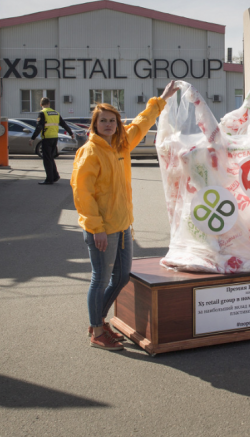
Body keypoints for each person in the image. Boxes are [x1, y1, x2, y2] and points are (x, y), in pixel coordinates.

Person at [71, 80, 178, 351]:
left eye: (112, 121)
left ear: (117, 124)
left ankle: (99, 320)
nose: (108, 124)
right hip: (102, 229)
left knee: (121, 277)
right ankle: (97, 329)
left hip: (122, 227)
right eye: (103, 120)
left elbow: (142, 123)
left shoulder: (121, 146)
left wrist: (161, 99)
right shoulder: (89, 152)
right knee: (100, 278)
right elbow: (83, 195)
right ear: (94, 124)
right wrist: (96, 228)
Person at [30, 97, 74, 185]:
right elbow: (63, 124)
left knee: (47, 159)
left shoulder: (42, 113)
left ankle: (49, 179)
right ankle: (55, 176)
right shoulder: (56, 113)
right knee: (50, 157)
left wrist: (33, 138)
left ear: (41, 105)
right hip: (55, 138)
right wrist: (71, 133)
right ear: (49, 104)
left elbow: (39, 127)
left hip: (47, 138)